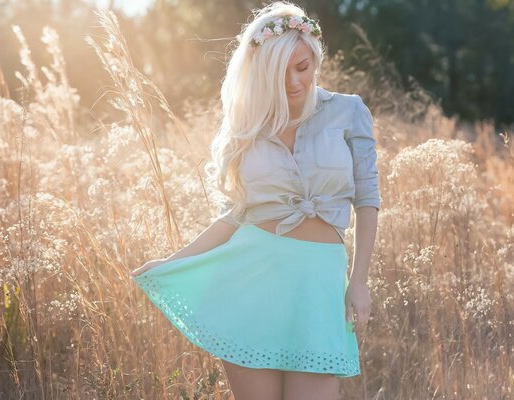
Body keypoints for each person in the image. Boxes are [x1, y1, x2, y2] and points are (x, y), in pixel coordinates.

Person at [129, 1, 380, 399]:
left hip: (319, 285)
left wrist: (360, 280)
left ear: (315, 59)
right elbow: (238, 215)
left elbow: (367, 198)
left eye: (302, 67)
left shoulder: (348, 111)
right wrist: (174, 261)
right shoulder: (250, 124)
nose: (294, 82)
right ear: (261, 73)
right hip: (252, 281)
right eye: (280, 73)